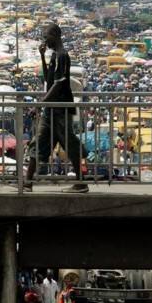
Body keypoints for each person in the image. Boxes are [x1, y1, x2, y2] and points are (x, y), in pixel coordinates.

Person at [24, 23, 88, 194]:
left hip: (60, 108)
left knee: (69, 144)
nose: (45, 40)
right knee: (38, 142)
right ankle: (27, 183)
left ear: (55, 35)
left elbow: (59, 85)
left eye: (47, 37)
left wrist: (40, 103)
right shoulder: (54, 57)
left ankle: (81, 183)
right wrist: (42, 57)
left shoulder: (62, 56)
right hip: (51, 109)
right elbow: (49, 80)